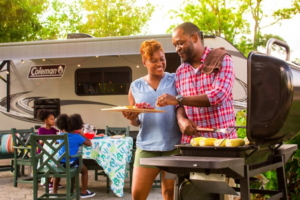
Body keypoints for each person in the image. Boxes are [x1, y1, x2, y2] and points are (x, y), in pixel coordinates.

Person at [156, 22, 237, 142]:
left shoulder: (222, 59)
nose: (177, 48)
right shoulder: (180, 71)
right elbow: (180, 105)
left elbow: (218, 96)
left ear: (194, 38)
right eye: (175, 45)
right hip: (192, 143)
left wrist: (178, 99)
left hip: (222, 141)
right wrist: (181, 120)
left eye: (180, 43)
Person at [122, 40, 182, 200]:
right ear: (144, 62)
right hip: (147, 147)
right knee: (137, 194)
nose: (159, 63)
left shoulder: (175, 80)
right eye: (153, 60)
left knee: (170, 193)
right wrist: (132, 118)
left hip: (173, 147)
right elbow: (135, 122)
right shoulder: (135, 86)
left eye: (161, 58)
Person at [52, 114, 95, 198]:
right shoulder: (77, 137)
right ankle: (84, 192)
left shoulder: (61, 135)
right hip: (72, 163)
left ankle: (54, 192)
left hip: (60, 163)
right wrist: (82, 134)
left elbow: (56, 142)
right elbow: (89, 143)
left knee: (57, 172)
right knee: (84, 170)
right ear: (77, 127)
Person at [36, 110, 63, 189]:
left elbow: (60, 136)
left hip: (53, 152)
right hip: (43, 152)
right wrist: (52, 139)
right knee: (50, 160)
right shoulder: (41, 130)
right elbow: (41, 142)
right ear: (45, 120)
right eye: (51, 119)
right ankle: (47, 182)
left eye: (54, 119)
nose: (53, 121)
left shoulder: (54, 130)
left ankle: (53, 181)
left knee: (61, 159)